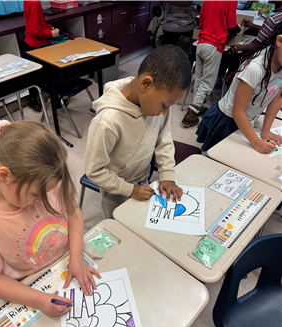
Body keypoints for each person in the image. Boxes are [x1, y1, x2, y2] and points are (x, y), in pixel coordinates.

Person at [0, 118, 101, 315]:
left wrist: (77, 257)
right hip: (28, 284)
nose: (42, 200)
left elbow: (72, 212)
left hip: (66, 260)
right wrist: (40, 300)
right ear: (4, 176)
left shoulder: (44, 179)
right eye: (36, 195)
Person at [85, 45, 191, 219]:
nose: (165, 112)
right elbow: (95, 171)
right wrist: (129, 189)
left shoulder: (158, 107)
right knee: (121, 228)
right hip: (116, 192)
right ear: (146, 84)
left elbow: (164, 140)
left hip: (143, 181)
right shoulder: (107, 122)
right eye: (164, 105)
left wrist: (167, 175)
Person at [195, 23, 282, 153]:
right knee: (216, 157)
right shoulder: (255, 68)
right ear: (279, 40)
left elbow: (276, 99)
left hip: (248, 120)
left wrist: (266, 130)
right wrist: (256, 142)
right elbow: (238, 111)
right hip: (227, 119)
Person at [182, 0, 240, 128]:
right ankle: (191, 112)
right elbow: (231, 26)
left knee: (199, 78)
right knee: (208, 82)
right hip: (214, 45)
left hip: (201, 43)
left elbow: (201, 22)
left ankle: (197, 106)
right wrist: (238, 29)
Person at [24, 0, 60, 111]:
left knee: (39, 72)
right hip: (37, 45)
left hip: (34, 43)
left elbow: (38, 23)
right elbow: (35, 30)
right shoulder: (34, 3)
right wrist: (51, 34)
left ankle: (49, 96)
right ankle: (35, 99)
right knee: (44, 73)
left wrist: (49, 27)